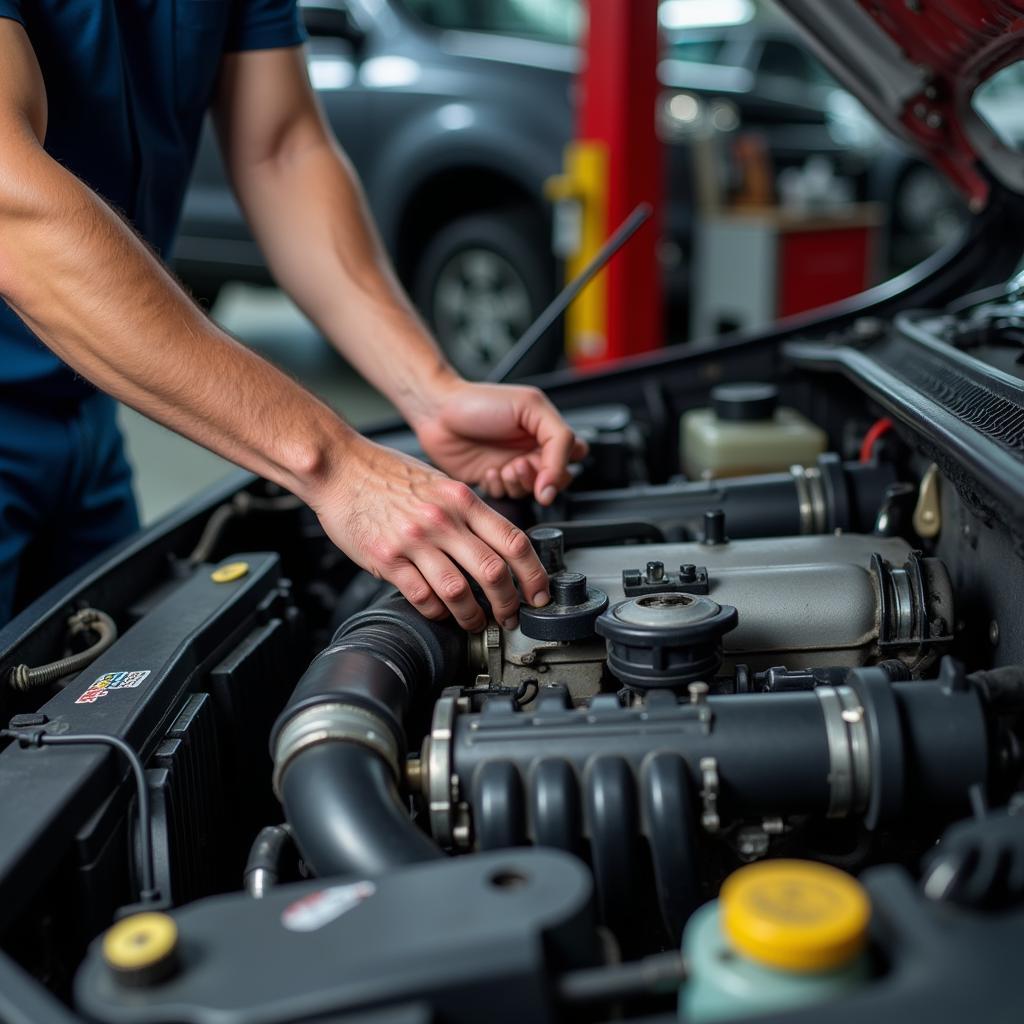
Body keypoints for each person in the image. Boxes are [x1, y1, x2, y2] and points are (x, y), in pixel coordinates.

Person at [0, 1, 587, 630]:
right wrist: (336, 465)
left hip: (87, 414)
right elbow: (12, 200)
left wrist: (431, 390)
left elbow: (281, 151)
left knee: (96, 706)